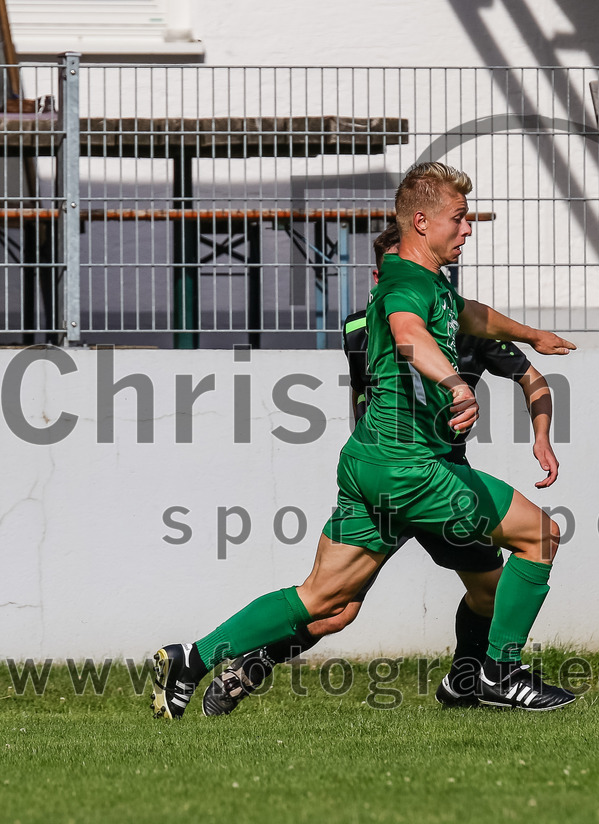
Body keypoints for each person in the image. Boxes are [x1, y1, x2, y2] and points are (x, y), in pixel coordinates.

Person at [151, 161, 577, 718]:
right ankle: (499, 672)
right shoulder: (405, 284)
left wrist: (531, 334)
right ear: (421, 222)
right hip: (411, 468)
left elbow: (470, 316)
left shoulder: (423, 280)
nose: (468, 228)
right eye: (459, 217)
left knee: (324, 598)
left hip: (368, 464)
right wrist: (454, 383)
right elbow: (408, 333)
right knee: (540, 536)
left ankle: (192, 658)